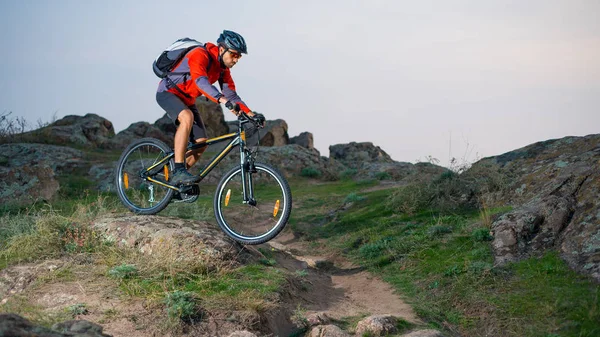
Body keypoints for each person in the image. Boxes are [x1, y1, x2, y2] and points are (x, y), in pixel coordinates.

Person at [156, 30, 265, 185]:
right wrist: (221, 99)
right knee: (187, 117)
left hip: (187, 99)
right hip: (168, 92)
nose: (236, 59)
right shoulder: (199, 54)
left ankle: (176, 183)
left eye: (239, 56)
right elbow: (201, 82)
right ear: (222, 49)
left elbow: (232, 96)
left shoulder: (223, 70)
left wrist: (251, 114)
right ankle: (178, 171)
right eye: (234, 54)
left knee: (201, 142)